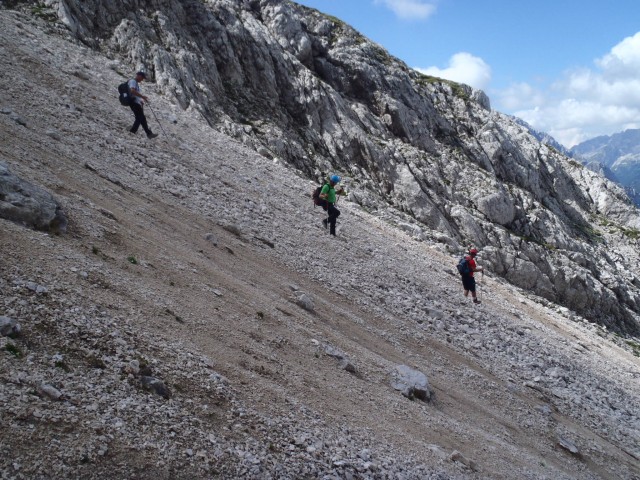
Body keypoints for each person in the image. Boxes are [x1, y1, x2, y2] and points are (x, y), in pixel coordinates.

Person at [128, 71, 158, 139]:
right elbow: (132, 91)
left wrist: (140, 100)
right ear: (139, 76)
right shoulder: (133, 81)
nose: (142, 80)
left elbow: (134, 93)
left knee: (142, 118)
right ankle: (133, 131)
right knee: (139, 117)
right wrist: (142, 97)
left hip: (136, 102)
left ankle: (149, 133)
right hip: (134, 102)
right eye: (142, 78)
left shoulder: (135, 83)